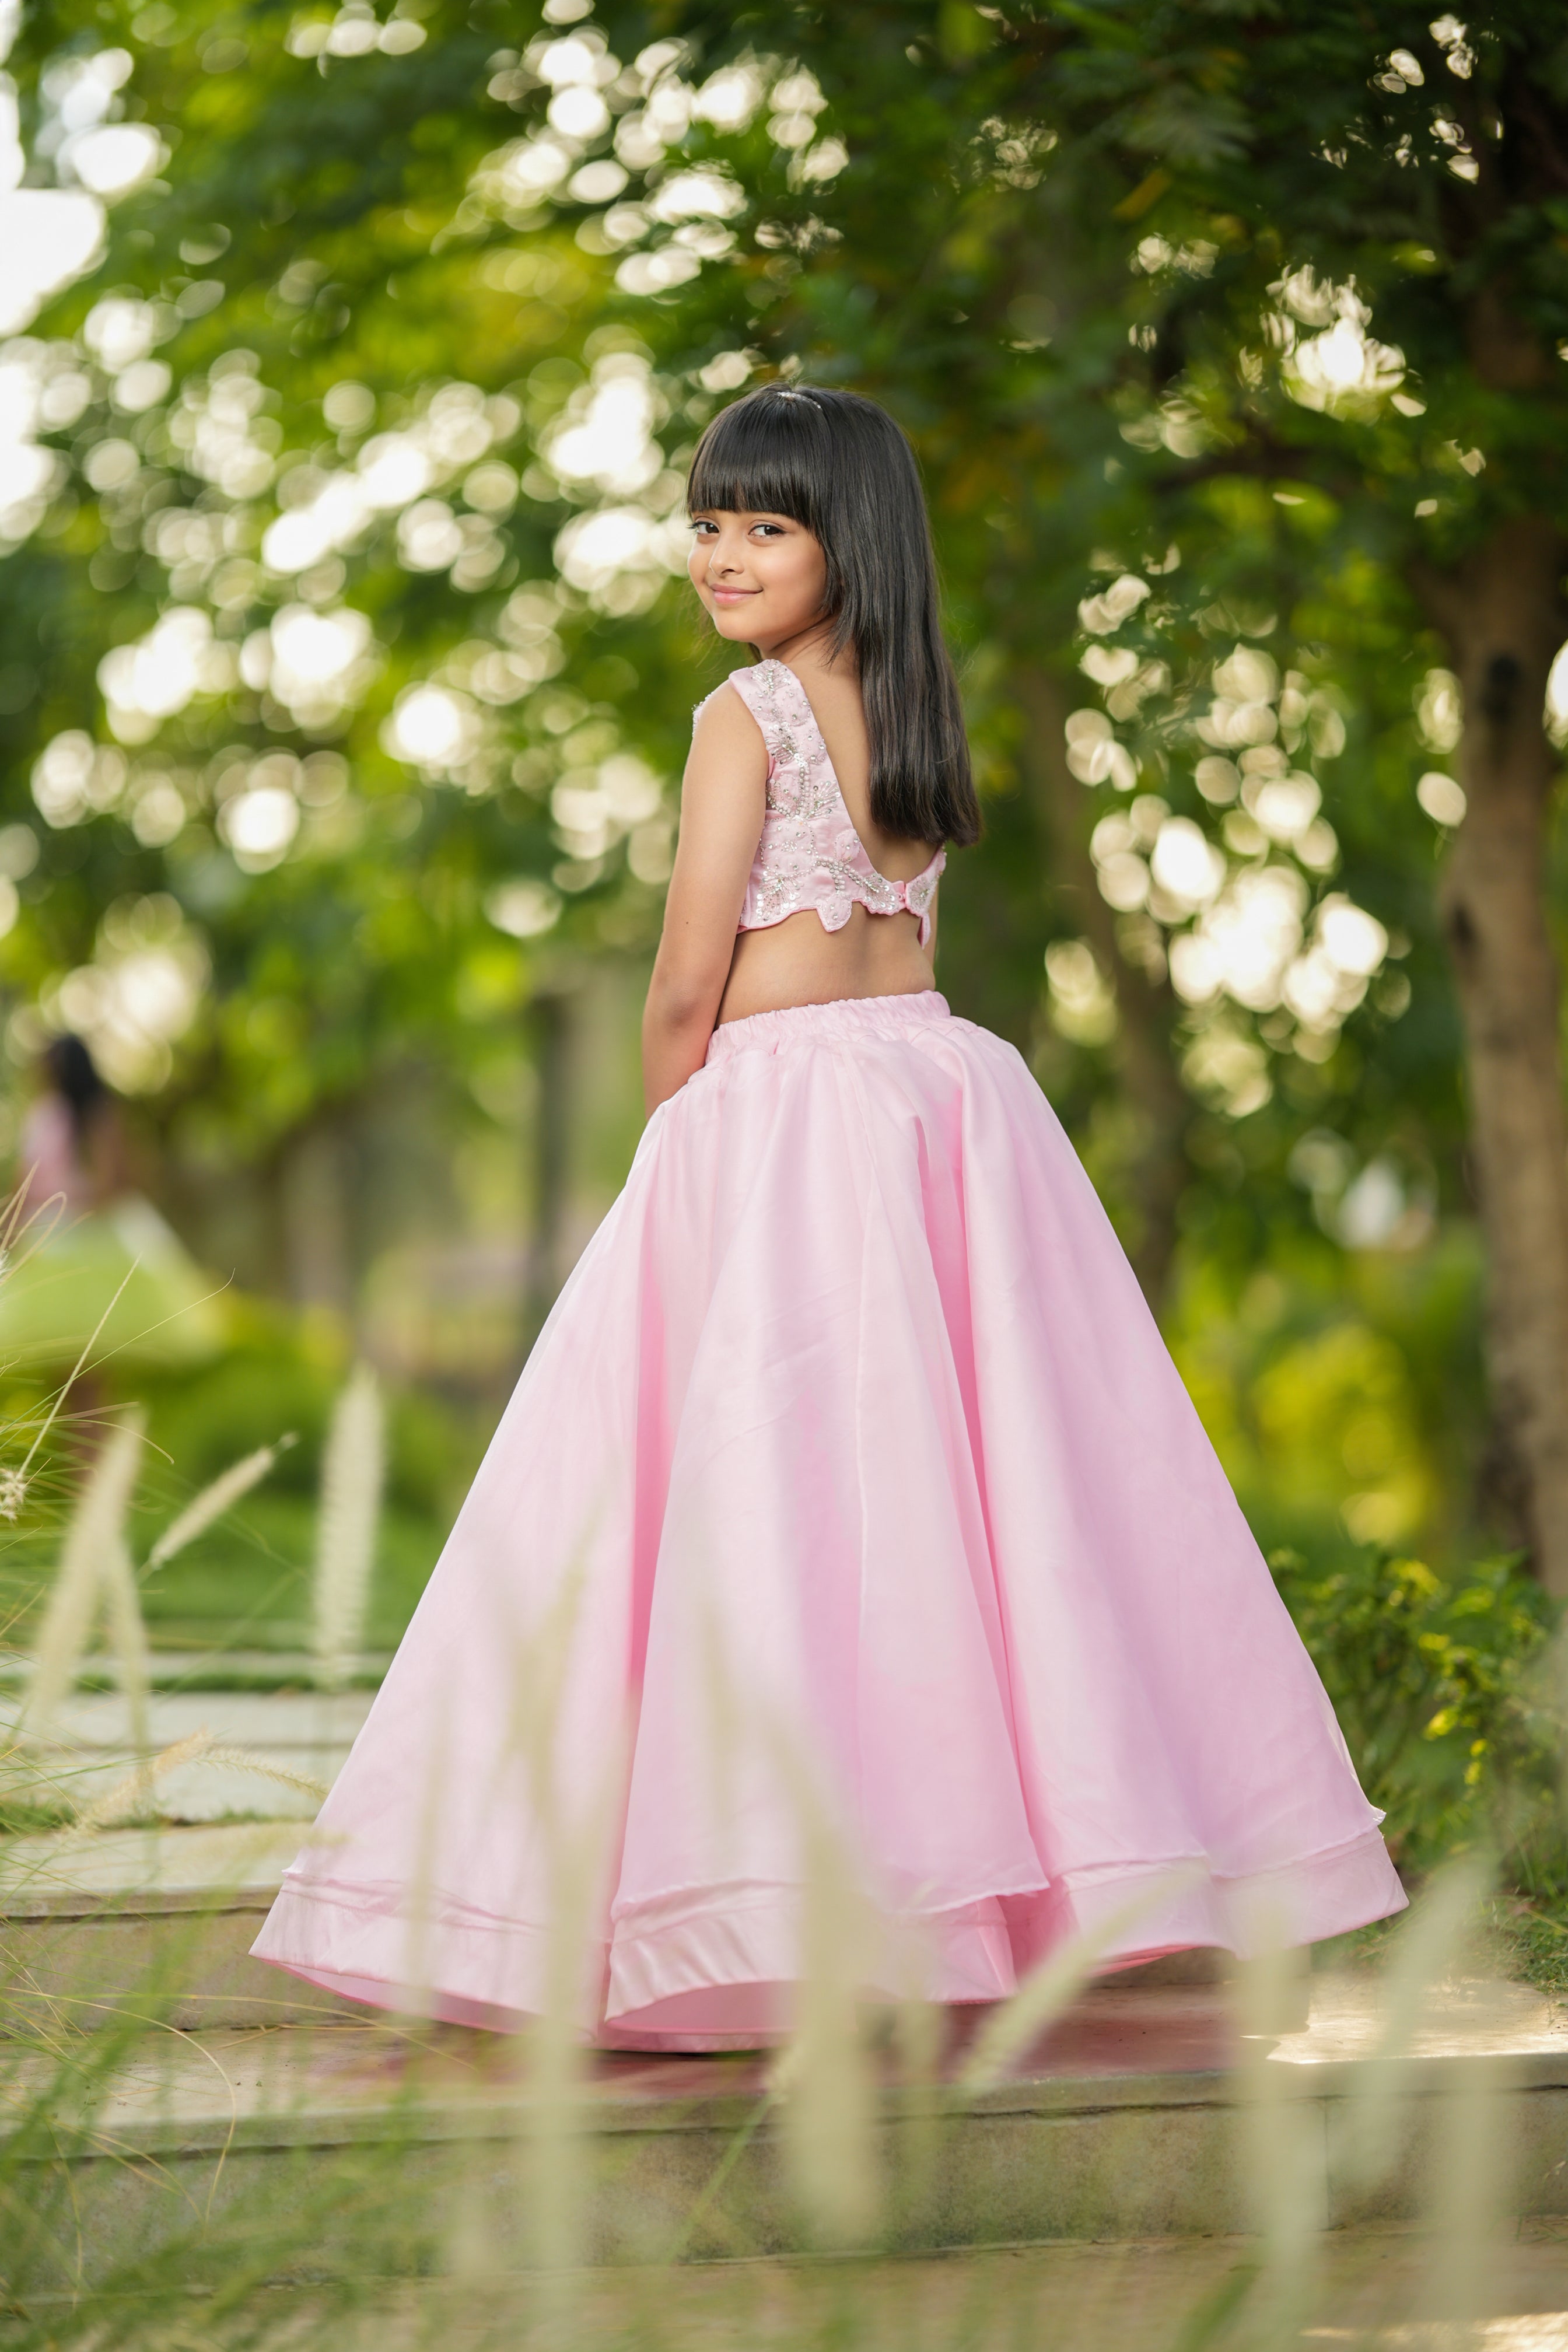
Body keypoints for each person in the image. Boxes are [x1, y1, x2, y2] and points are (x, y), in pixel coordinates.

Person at [254, 386, 1405, 2049]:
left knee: (771, 1494)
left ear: (843, 539)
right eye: (708, 522)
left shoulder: (748, 718)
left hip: (782, 1109)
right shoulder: (918, 708)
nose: (720, 555)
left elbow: (686, 971)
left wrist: (678, 1131)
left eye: (764, 527)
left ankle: (756, 1891)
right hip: (941, 1096)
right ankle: (1010, 1881)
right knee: (975, 1499)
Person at [0, 1034, 225, 1384]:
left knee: (90, 1371)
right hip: (50, 1243)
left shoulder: (99, 1115)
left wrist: (67, 1209)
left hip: (91, 1244)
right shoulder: (41, 1117)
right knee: (66, 1376)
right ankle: (83, 1440)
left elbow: (114, 1182)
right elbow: (23, 1186)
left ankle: (92, 1440)